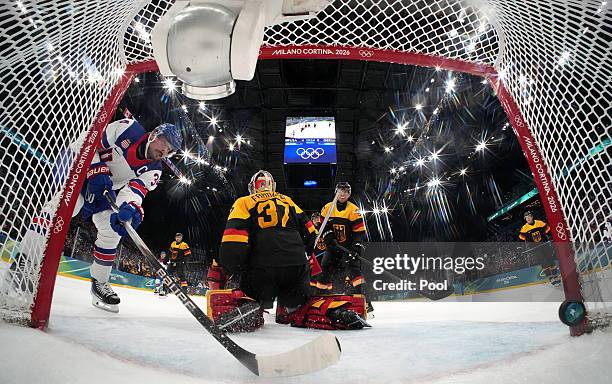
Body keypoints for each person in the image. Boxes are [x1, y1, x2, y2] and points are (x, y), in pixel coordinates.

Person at [17, 118, 182, 312]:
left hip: (104, 186)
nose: (165, 152)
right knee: (65, 205)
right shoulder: (128, 128)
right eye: (165, 144)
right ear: (155, 134)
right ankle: (24, 263)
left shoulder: (155, 170)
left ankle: (99, 283)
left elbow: (135, 192)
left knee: (112, 231)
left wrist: (129, 208)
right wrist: (96, 168)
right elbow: (91, 142)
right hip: (77, 162)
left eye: (170, 151)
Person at [215, 170, 368, 332]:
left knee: (250, 293)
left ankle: (251, 309)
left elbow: (233, 240)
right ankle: (328, 313)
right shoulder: (287, 200)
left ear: (252, 187)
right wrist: (306, 255)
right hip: (295, 267)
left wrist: (233, 267)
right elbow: (311, 233)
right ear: (272, 186)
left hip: (262, 269)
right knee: (297, 306)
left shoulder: (243, 202)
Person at [311, 182, 374, 313]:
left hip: (348, 248)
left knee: (355, 273)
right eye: (340, 191)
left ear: (349, 194)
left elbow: (359, 233)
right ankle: (320, 301)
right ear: (336, 192)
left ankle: (366, 304)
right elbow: (323, 227)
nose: (343, 194)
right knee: (324, 272)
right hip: (333, 248)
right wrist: (329, 237)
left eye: (346, 191)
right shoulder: (327, 208)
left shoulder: (353, 210)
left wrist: (356, 248)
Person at [519, 211, 560, 286]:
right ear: (525, 219)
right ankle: (551, 278)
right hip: (536, 248)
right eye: (526, 217)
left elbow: (547, 228)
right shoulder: (524, 228)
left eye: (529, 216)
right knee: (544, 263)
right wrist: (528, 240)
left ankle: (556, 276)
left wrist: (544, 234)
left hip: (544, 245)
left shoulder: (540, 223)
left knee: (551, 261)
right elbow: (521, 236)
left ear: (532, 217)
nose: (527, 218)